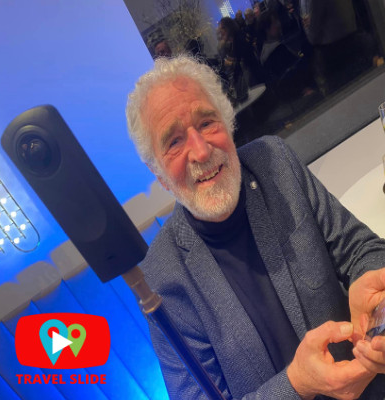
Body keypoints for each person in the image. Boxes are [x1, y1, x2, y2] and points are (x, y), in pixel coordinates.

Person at [126, 55, 385, 399]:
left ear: (228, 123)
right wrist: (296, 385)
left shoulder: (275, 162)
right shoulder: (162, 278)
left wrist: (376, 299)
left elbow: (361, 250)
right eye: (174, 142)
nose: (201, 151)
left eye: (207, 122)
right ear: (159, 175)